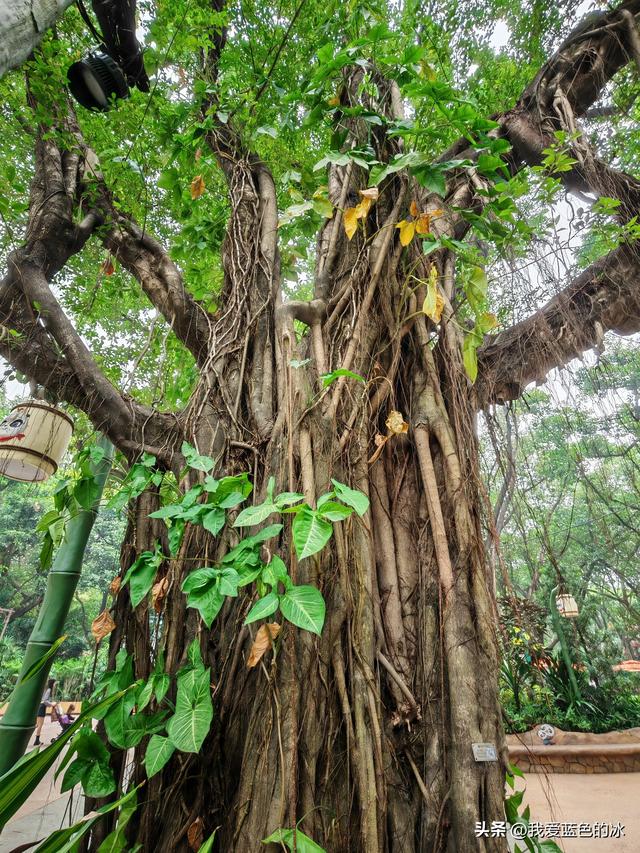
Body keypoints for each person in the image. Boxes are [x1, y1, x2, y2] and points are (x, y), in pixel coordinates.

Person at [33, 678, 56, 745]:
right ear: (52, 683)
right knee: (39, 725)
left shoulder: (46, 689)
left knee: (37, 724)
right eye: (54, 684)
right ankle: (36, 740)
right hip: (42, 707)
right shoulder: (49, 690)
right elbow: (45, 700)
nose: (55, 685)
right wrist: (52, 704)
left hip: (40, 707)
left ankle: (36, 740)